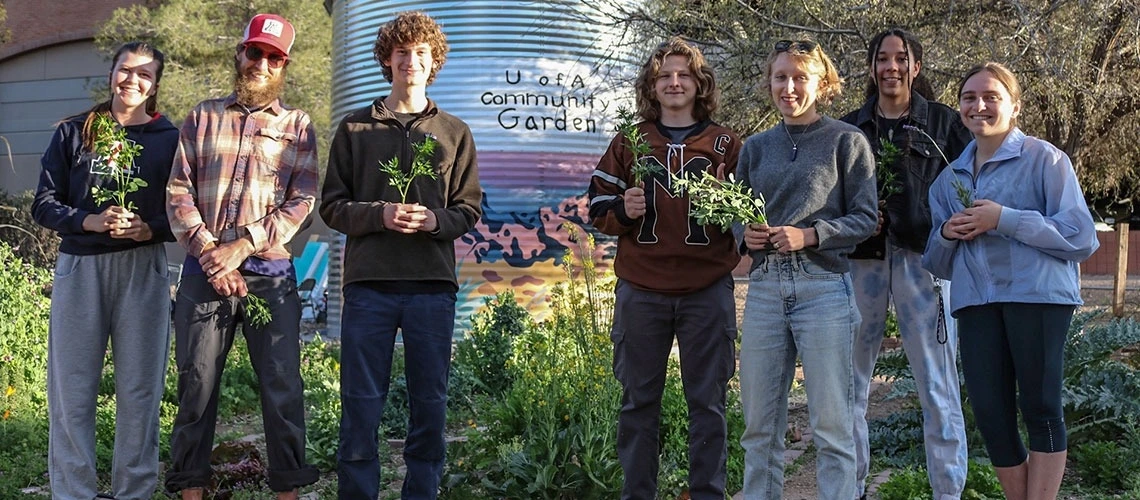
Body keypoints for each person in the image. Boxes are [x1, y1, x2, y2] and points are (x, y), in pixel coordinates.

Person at [319, 11, 482, 499]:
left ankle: (422, 492)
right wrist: (379, 215)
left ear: (434, 63)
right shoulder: (354, 129)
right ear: (387, 60)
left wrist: (435, 221)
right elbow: (331, 206)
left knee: (429, 403)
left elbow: (469, 208)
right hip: (369, 286)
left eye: (421, 53)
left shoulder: (454, 132)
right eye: (402, 52)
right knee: (361, 403)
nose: (411, 61)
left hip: (432, 287)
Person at [923, 61, 1098, 500]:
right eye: (969, 98)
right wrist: (946, 234)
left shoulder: (1047, 159)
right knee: (991, 415)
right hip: (976, 303)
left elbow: (1081, 236)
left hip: (1037, 298)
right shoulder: (948, 181)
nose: (978, 105)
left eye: (991, 97)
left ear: (1014, 106)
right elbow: (937, 264)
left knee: (1040, 407)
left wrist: (1004, 219)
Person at [164, 13, 320, 499]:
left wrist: (244, 244)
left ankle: (287, 490)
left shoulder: (298, 125)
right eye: (255, 52)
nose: (262, 63)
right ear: (240, 53)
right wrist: (212, 253)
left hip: (269, 271)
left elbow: (303, 200)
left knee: (282, 386)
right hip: (204, 269)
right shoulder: (202, 116)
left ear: (284, 67)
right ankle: (192, 489)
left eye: (274, 57)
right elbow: (177, 190)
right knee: (197, 384)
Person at [587, 36, 742, 500]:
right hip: (642, 289)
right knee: (638, 404)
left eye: (683, 74)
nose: (674, 82)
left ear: (700, 83)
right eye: (664, 75)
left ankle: (707, 493)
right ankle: (639, 494)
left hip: (706, 289)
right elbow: (596, 206)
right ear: (651, 86)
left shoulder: (725, 144)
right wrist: (624, 208)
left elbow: (750, 214)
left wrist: (725, 204)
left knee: (709, 404)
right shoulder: (631, 142)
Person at [31, 41, 178, 500]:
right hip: (81, 269)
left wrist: (148, 229)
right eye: (125, 70)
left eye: (144, 74)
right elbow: (44, 203)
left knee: (140, 393)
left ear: (155, 85)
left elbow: (182, 211)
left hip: (143, 271)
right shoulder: (76, 132)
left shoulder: (170, 138)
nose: (132, 81)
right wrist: (86, 220)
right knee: (72, 392)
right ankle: (72, 493)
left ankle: (134, 491)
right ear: (111, 73)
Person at [735, 38, 877, 500]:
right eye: (781, 77)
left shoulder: (847, 141)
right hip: (765, 290)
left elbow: (865, 217)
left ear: (823, 83)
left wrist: (813, 234)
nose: (789, 87)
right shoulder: (755, 148)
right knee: (758, 429)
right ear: (770, 83)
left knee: (832, 428)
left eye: (800, 77)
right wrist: (746, 235)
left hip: (824, 290)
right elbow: (737, 212)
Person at [840, 28, 972, 500]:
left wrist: (946, 225)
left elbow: (971, 185)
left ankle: (948, 491)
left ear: (916, 67)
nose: (891, 67)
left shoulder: (944, 125)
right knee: (848, 381)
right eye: (882, 58)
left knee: (936, 382)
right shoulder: (849, 128)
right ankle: (849, 488)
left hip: (925, 262)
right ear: (872, 67)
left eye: (901, 59)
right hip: (862, 262)